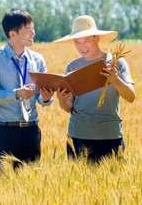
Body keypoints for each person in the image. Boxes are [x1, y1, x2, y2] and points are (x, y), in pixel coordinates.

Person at [0, 8, 54, 174]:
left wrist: (46, 98)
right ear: (12, 34)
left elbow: (42, 100)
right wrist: (16, 93)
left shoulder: (38, 60)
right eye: (28, 31)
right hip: (3, 133)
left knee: (31, 189)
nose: (33, 34)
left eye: (33, 29)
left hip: (31, 132)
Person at [54, 15, 136, 162]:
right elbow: (69, 108)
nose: (81, 46)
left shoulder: (116, 62)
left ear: (97, 37)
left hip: (110, 136)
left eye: (86, 40)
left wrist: (115, 80)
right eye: (77, 42)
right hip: (77, 137)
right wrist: (62, 100)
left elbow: (131, 97)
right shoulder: (72, 67)